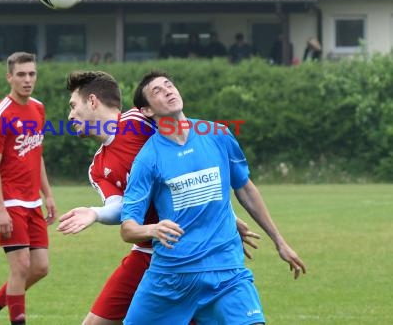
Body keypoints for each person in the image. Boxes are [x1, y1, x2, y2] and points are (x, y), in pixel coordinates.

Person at [57, 71, 260, 325]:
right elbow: (120, 207)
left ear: (93, 102)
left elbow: (194, 159)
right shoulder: (98, 167)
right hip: (146, 250)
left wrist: (226, 215)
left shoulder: (138, 120)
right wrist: (94, 213)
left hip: (189, 253)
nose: (70, 116)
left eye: (73, 106)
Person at [120, 71, 306, 324]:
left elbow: (246, 189)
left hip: (226, 273)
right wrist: (153, 228)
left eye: (169, 85)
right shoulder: (147, 158)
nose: (168, 91)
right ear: (147, 111)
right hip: (171, 278)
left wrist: (280, 241)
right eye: (157, 91)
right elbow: (127, 229)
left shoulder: (217, 135)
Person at [0, 52, 57, 325]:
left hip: (31, 201)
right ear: (9, 77)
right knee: (21, 266)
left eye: (31, 74)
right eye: (21, 75)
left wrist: (48, 195)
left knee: (40, 267)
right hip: (7, 202)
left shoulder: (38, 108)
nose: (27, 80)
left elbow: (36, 155)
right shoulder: (1, 113)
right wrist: (0, 209)